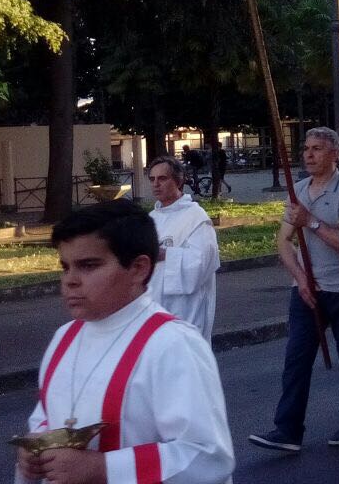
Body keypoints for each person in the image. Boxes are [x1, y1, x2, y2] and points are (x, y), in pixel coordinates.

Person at [16, 199, 233, 484]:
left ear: (138, 269)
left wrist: (104, 468)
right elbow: (50, 414)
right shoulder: (63, 338)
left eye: (88, 265)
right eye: (65, 267)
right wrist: (35, 449)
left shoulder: (172, 345)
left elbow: (207, 457)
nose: (70, 280)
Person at [250, 127, 339, 453]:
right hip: (307, 290)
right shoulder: (297, 189)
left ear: (335, 154)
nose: (309, 155)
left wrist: (311, 221)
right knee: (295, 360)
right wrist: (300, 277)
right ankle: (287, 429)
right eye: (306, 149)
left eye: (317, 149)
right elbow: (283, 240)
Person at [145, 155, 220, 340]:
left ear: (178, 181)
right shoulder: (151, 219)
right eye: (152, 179)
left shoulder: (196, 218)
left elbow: (203, 262)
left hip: (186, 309)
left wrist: (165, 254)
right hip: (154, 304)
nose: (156, 184)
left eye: (162, 178)